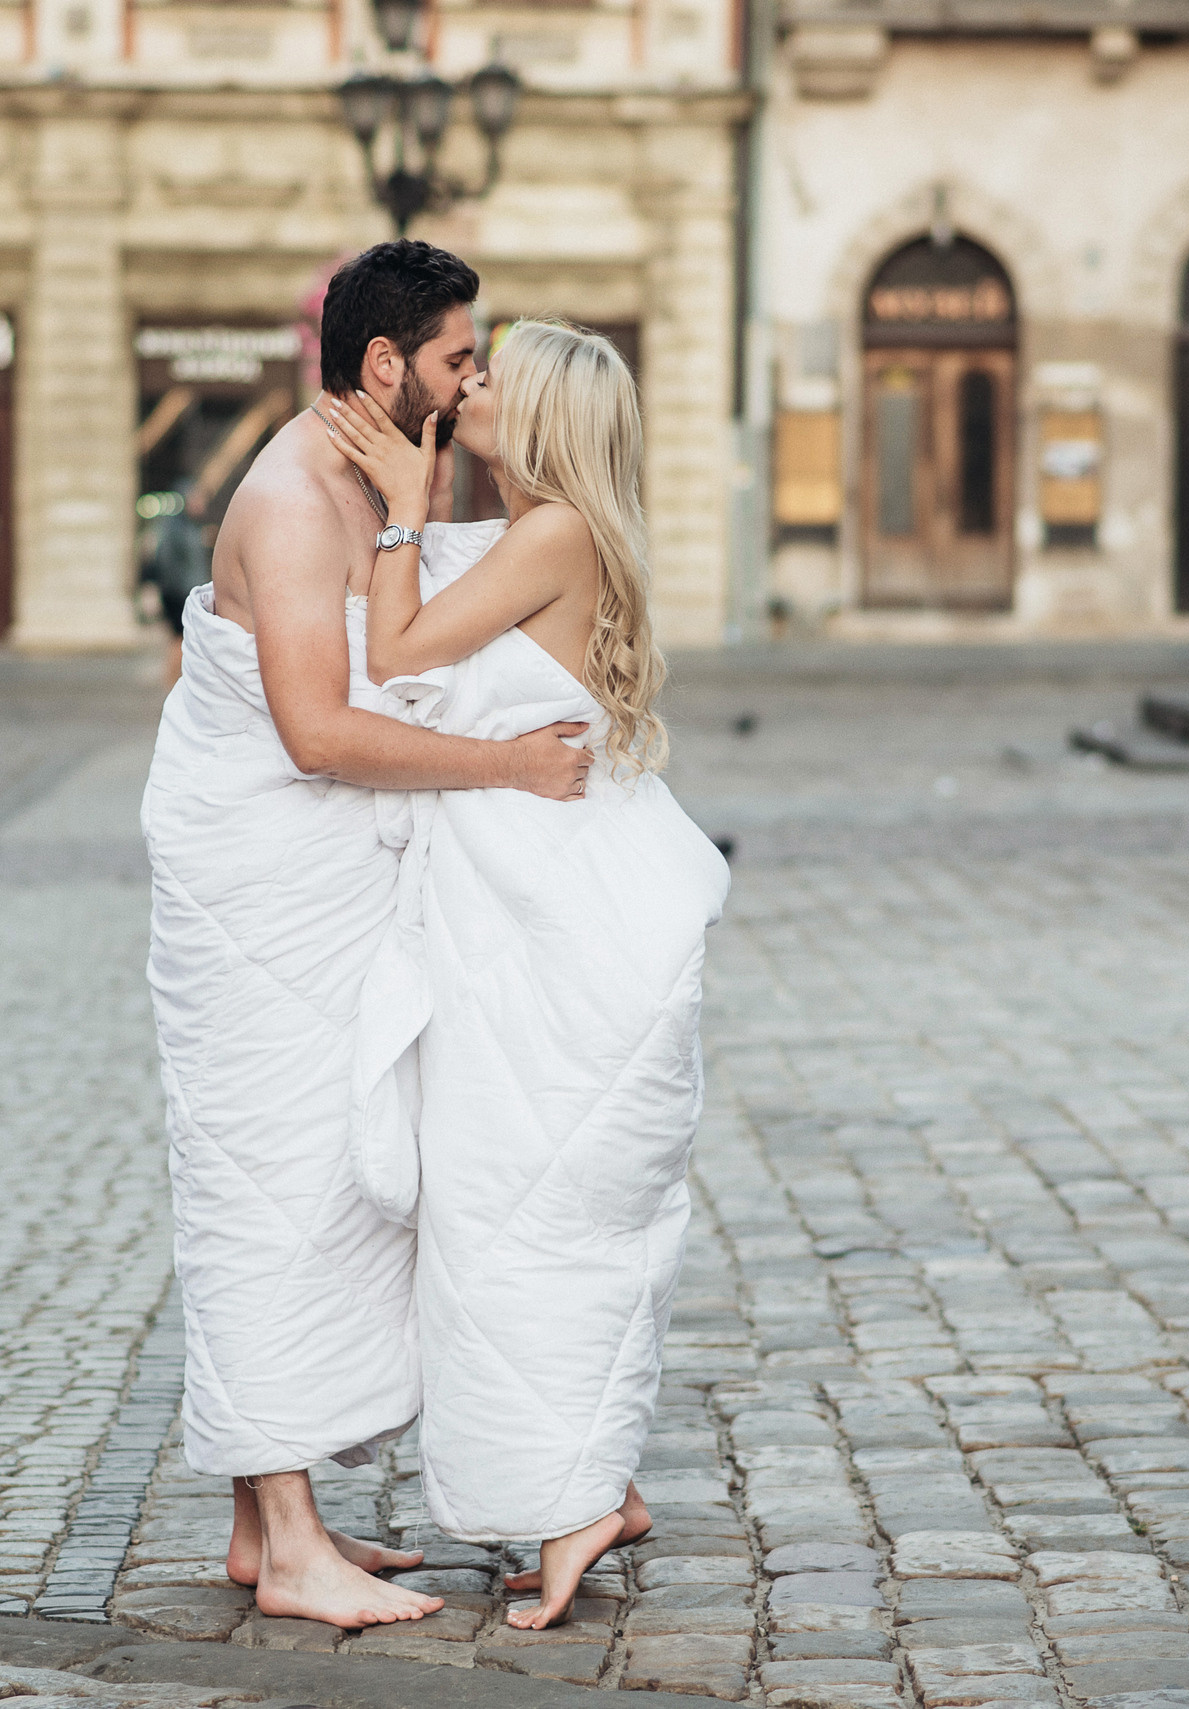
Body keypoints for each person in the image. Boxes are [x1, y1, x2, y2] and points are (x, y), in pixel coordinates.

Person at [138, 241, 593, 1631]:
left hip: (321, 880)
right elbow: (318, 733)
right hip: (258, 881)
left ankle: (262, 1523)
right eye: (460, 359)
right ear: (386, 365)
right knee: (263, 1184)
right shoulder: (286, 500)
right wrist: (515, 772)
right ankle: (285, 1547)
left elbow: (409, 643)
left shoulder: (385, 471)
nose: (474, 383)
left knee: (318, 1177)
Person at [326, 320, 729, 1627]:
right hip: (521, 911)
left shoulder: (550, 535)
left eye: (492, 376)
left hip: (550, 923)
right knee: (514, 1212)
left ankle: (577, 1502)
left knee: (525, 1219)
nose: (469, 386)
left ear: (547, 412)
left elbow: (394, 657)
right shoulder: (540, 536)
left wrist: (400, 510)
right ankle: (586, 1485)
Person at [142, 482, 212, 691]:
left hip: (186, 592)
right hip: (178, 594)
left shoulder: (192, 526)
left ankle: (174, 682)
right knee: (179, 639)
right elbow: (166, 562)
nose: (201, 504)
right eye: (197, 499)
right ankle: (171, 683)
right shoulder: (175, 527)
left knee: (181, 640)